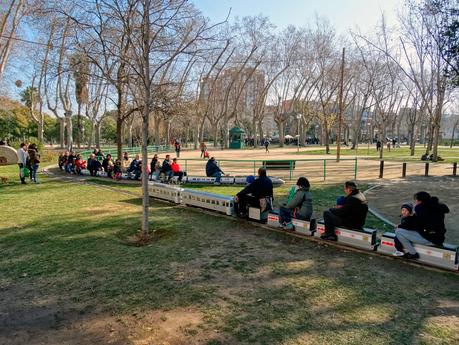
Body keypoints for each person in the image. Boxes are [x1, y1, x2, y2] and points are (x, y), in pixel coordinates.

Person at [395, 192, 449, 259]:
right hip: (439, 238)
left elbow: (416, 225)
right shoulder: (436, 206)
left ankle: (413, 253)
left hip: (430, 239)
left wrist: (401, 226)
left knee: (398, 231)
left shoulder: (421, 208)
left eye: (416, 200)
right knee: (406, 228)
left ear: (420, 201)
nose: (416, 202)